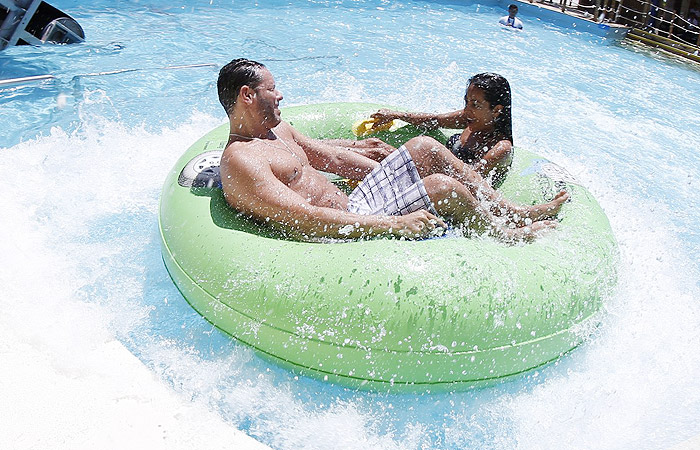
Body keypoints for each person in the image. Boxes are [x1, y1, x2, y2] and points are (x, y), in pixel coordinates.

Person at [217, 58, 568, 242]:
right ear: (248, 96)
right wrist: (394, 224)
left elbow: (330, 157)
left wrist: (364, 149)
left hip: (360, 201)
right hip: (350, 222)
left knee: (424, 146)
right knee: (442, 188)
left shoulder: (275, 130)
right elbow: (305, 219)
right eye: (272, 89)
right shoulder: (242, 160)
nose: (280, 95)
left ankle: (512, 209)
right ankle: (504, 234)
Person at [370, 73, 514, 186]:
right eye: (467, 102)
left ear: (496, 110)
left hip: (446, 192)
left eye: (475, 105)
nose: (466, 110)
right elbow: (435, 120)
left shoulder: (500, 148)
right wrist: (396, 115)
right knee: (378, 147)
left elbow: (470, 182)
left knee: (381, 151)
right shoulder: (470, 119)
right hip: (432, 175)